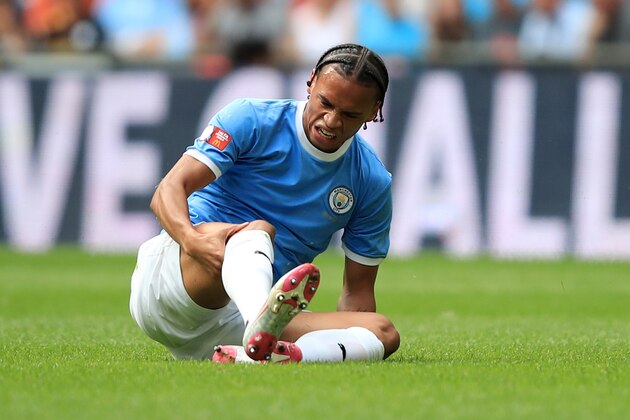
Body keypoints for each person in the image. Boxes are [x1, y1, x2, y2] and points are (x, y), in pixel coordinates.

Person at [129, 43, 400, 364]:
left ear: (373, 111)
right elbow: (167, 190)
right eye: (325, 103)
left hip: (239, 322)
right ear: (310, 81)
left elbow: (356, 297)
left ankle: (268, 354)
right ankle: (260, 322)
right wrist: (192, 240)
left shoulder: (371, 180)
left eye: (350, 114)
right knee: (257, 232)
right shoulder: (251, 118)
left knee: (382, 331)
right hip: (178, 284)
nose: (331, 120)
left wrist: (349, 337)